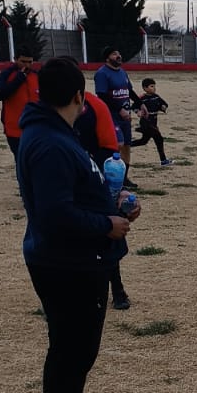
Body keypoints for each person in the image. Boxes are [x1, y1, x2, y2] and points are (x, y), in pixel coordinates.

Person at [17, 55, 141, 393]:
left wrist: (114, 201)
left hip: (68, 258)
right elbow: (55, 214)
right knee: (75, 350)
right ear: (78, 96)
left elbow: (70, 195)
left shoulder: (52, 132)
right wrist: (105, 225)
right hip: (68, 264)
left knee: (65, 347)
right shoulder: (50, 143)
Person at [75, 88, 133, 310]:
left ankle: (117, 289)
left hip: (96, 177)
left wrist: (115, 188)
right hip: (70, 183)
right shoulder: (45, 122)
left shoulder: (95, 107)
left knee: (105, 237)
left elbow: (111, 149)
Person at [92, 47, 139, 186]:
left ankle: (123, 178)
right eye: (114, 54)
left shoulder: (122, 72)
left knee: (127, 146)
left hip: (125, 116)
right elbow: (102, 95)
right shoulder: (102, 73)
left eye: (119, 53)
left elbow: (129, 91)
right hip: (111, 116)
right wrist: (119, 109)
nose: (118, 56)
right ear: (107, 58)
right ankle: (107, 175)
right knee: (117, 144)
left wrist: (140, 104)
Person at [0, 53, 39, 162]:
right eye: (23, 62)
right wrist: (18, 80)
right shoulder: (6, 74)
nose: (27, 65)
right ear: (15, 59)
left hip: (36, 130)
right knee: (21, 162)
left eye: (30, 62)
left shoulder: (37, 76)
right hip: (14, 130)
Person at [134, 78, 173, 165]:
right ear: (145, 88)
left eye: (154, 86)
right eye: (151, 86)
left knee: (143, 141)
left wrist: (163, 107)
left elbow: (164, 104)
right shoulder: (142, 98)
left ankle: (125, 145)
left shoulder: (156, 97)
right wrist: (138, 111)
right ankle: (163, 160)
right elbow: (134, 106)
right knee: (159, 139)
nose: (154, 88)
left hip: (153, 122)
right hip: (146, 122)